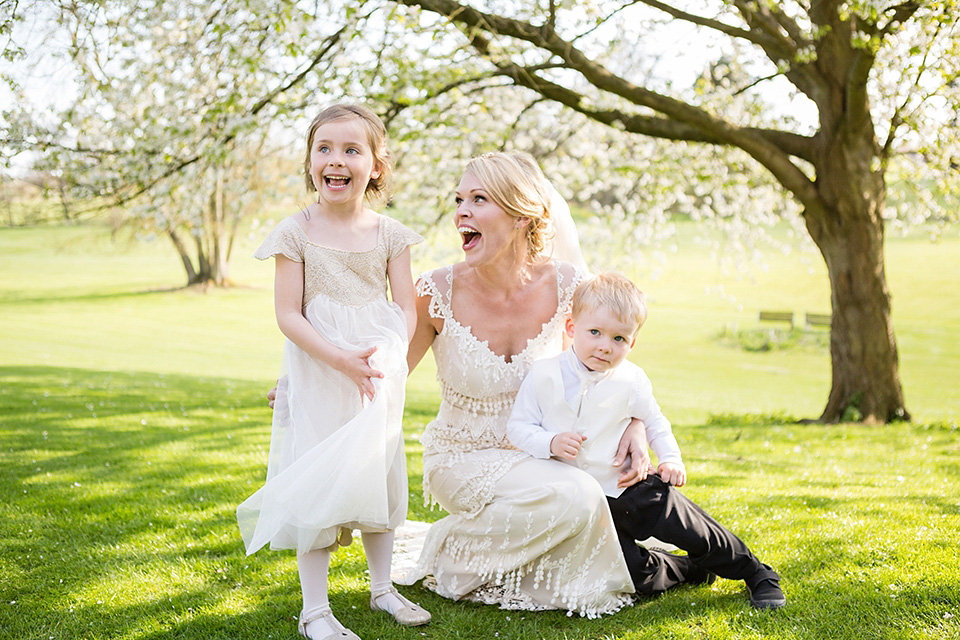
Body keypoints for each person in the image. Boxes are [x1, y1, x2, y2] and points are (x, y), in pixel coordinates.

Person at [397, 151, 644, 617]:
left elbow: (614, 356)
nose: (461, 212)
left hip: (542, 450)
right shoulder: (434, 292)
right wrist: (308, 389)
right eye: (459, 200)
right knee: (579, 497)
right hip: (461, 456)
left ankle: (473, 557)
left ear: (518, 216)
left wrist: (636, 424)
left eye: (479, 199)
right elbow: (389, 374)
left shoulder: (571, 285)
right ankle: (445, 547)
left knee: (579, 499)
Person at [236, 103, 431, 640]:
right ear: (310, 161)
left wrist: (387, 355)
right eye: (324, 148)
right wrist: (337, 361)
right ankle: (315, 610)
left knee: (380, 476)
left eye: (352, 150)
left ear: (375, 165)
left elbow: (407, 308)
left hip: (374, 371)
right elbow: (287, 314)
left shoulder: (390, 233)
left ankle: (382, 587)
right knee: (319, 482)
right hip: (322, 368)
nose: (336, 160)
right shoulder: (294, 233)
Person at [506, 272, 786, 609]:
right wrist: (549, 442)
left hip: (629, 486)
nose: (605, 346)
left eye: (619, 338)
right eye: (594, 332)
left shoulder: (632, 379)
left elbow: (655, 422)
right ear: (571, 328)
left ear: (632, 343)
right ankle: (683, 568)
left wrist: (670, 459)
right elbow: (518, 428)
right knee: (630, 573)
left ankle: (756, 572)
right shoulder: (542, 374)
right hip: (579, 501)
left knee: (693, 530)